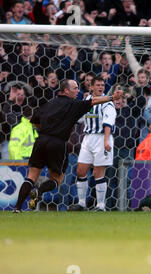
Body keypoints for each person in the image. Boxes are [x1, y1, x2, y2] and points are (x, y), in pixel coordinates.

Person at [12, 79, 123, 213]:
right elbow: (93, 101)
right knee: (57, 179)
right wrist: (112, 97)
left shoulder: (49, 103)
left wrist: (47, 130)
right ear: (66, 90)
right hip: (57, 143)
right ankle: (39, 190)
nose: (78, 91)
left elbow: (34, 121)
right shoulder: (74, 104)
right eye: (75, 88)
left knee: (31, 176)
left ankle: (17, 207)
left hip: (41, 141)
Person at [68, 76, 117, 212]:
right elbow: (80, 118)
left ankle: (101, 206)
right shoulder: (87, 101)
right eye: (98, 85)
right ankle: (81, 203)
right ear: (92, 87)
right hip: (88, 138)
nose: (101, 87)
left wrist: (106, 140)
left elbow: (108, 123)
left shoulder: (107, 103)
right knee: (80, 170)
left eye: (102, 85)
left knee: (98, 172)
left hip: (102, 138)